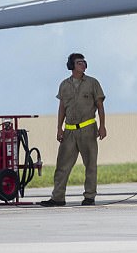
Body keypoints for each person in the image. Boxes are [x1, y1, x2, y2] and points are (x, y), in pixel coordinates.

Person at [40, 53, 106, 207]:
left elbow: (100, 106)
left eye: (84, 62)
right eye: (78, 63)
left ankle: (89, 196)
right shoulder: (64, 85)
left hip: (88, 130)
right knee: (62, 166)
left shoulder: (92, 83)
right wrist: (59, 128)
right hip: (69, 130)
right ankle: (58, 197)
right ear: (71, 66)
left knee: (90, 165)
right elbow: (62, 108)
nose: (82, 65)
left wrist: (102, 126)